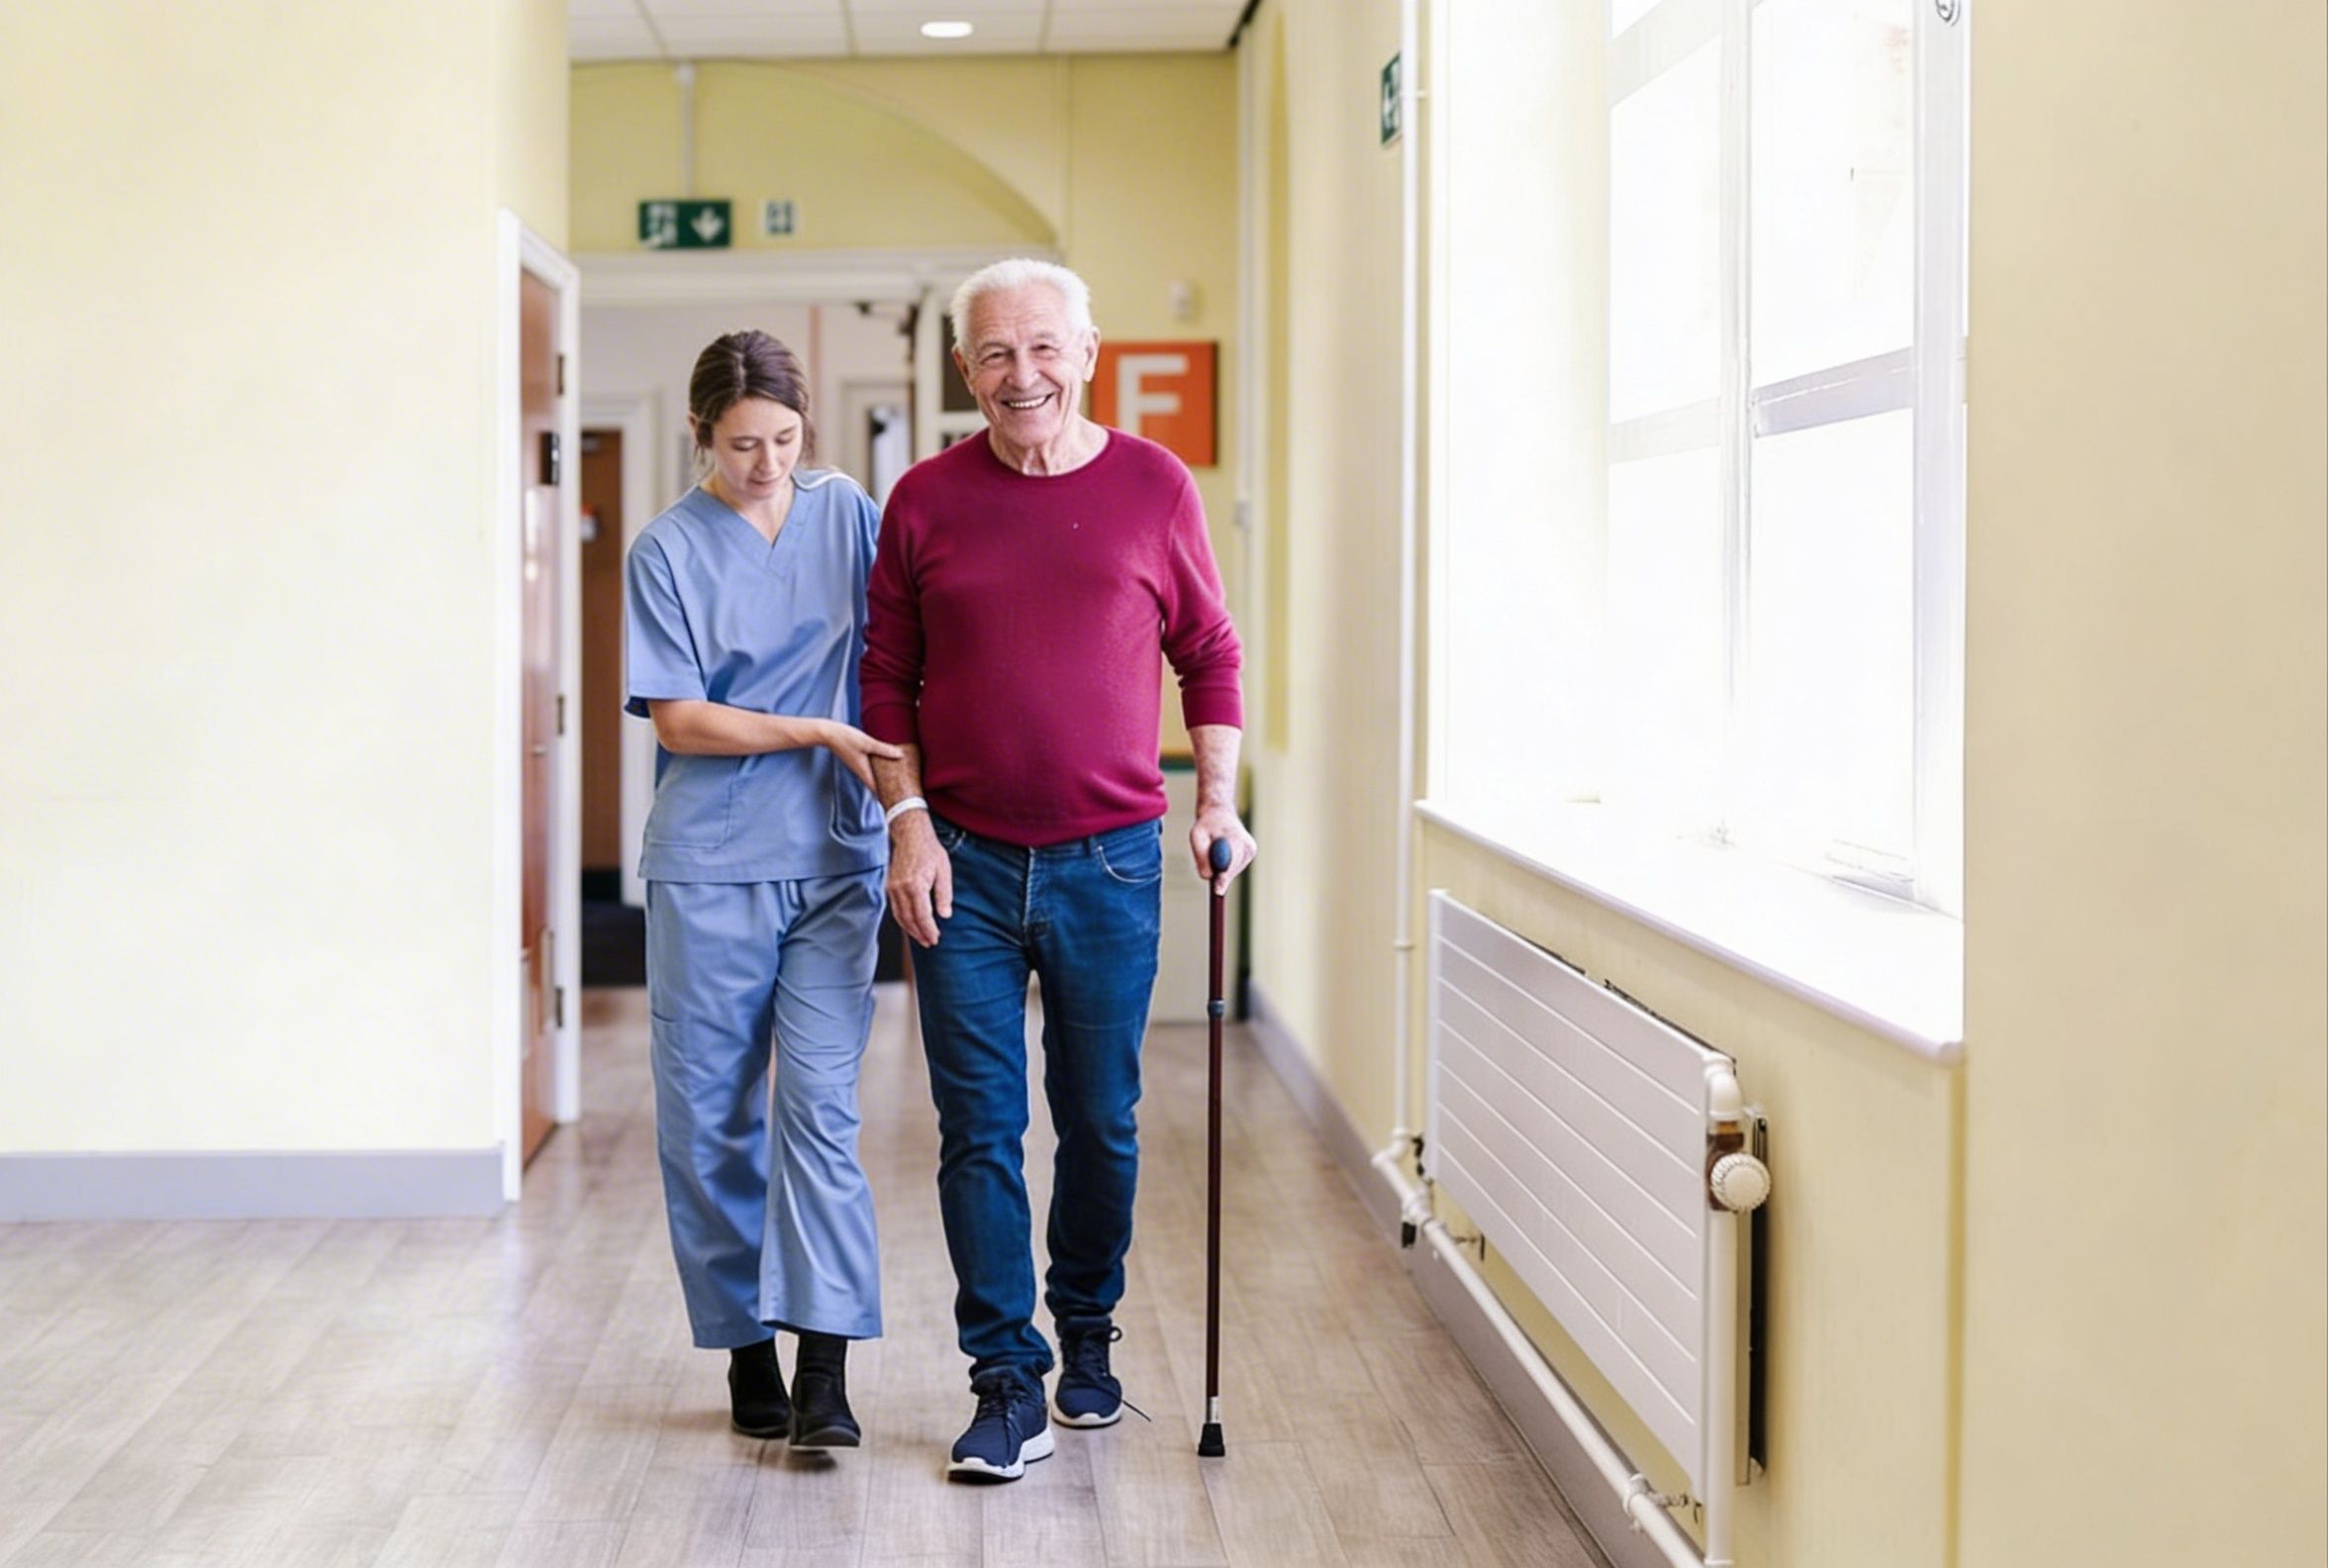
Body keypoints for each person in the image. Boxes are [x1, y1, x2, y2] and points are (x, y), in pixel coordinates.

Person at [860, 258, 1255, 1482]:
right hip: (962, 865)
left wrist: (1222, 804)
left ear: (1086, 351)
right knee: (978, 1130)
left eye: (1040, 348)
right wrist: (907, 821)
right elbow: (883, 681)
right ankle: (1006, 1381)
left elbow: (1209, 650)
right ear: (964, 367)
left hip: (1111, 865)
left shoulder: (1153, 485)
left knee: (1100, 1122)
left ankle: (1085, 1336)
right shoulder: (924, 499)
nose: (1017, 374)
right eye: (991, 353)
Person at [625, 330, 901, 1450]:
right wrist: (818, 729)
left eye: (786, 439)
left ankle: (825, 1368)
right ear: (703, 435)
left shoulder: (852, 515)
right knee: (708, 1125)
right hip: (710, 866)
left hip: (838, 857)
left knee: (820, 1113)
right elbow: (683, 719)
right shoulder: (667, 551)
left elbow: (897, 661)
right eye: (744, 444)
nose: (768, 462)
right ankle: (746, 1350)